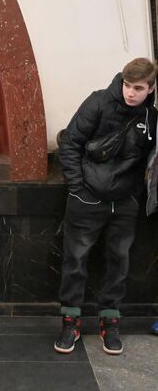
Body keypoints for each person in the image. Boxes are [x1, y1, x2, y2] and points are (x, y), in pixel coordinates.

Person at [55, 58, 158, 356]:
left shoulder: (151, 118)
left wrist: (136, 195)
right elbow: (71, 143)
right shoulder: (98, 102)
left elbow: (149, 160)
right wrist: (78, 188)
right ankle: (70, 321)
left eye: (138, 88)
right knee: (75, 260)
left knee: (119, 262)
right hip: (87, 197)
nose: (130, 92)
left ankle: (109, 322)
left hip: (124, 202)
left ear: (150, 89)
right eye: (127, 85)